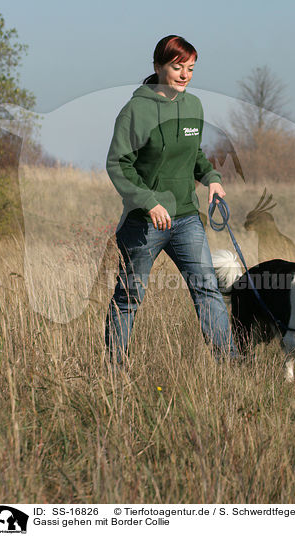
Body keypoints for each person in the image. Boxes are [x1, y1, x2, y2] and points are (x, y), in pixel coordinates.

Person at [105, 35, 239, 363]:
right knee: (128, 298)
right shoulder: (136, 110)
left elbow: (195, 154)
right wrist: (148, 201)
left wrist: (212, 179)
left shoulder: (193, 106)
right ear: (158, 67)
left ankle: (233, 366)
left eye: (190, 69)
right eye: (177, 67)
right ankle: (113, 372)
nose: (184, 75)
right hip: (143, 223)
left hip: (186, 218)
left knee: (208, 291)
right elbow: (117, 164)